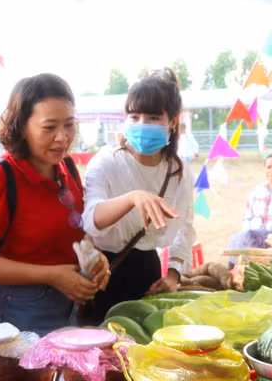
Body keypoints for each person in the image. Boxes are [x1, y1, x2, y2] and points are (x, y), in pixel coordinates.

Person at [0, 74, 110, 335]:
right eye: (49, 128)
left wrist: (97, 259)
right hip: (15, 310)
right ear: (21, 127)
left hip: (66, 303)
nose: (62, 137)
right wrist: (52, 275)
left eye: (69, 125)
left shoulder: (67, 167)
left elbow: (77, 228)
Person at [82, 68, 196, 322]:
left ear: (172, 121)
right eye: (134, 116)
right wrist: (133, 198)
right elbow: (90, 218)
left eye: (153, 117)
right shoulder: (107, 162)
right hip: (102, 272)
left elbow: (185, 227)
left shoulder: (178, 172)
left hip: (147, 273)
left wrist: (174, 274)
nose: (142, 124)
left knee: (142, 338)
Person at [226, 153, 272, 262]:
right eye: (269, 167)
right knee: (236, 245)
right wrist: (249, 237)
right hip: (251, 239)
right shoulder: (257, 191)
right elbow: (247, 216)